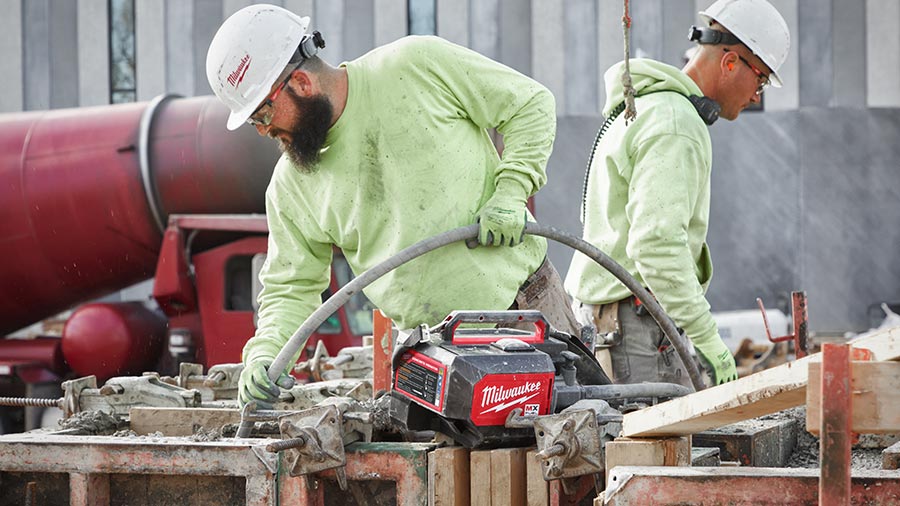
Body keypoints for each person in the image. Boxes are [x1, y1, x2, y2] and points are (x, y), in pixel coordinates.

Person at [205, 4, 580, 408]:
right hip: (432, 350)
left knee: (569, 448)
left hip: (525, 309)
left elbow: (530, 105)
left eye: (263, 112)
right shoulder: (291, 186)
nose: (263, 131)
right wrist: (266, 355)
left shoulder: (415, 66)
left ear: (300, 81)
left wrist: (511, 191)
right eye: (253, 122)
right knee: (460, 470)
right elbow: (291, 286)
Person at [565, 0, 790, 387]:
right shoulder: (675, 123)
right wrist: (708, 339)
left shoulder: (648, 107)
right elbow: (657, 244)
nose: (757, 95)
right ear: (730, 62)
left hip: (611, 318)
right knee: (658, 445)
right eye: (761, 78)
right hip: (636, 329)